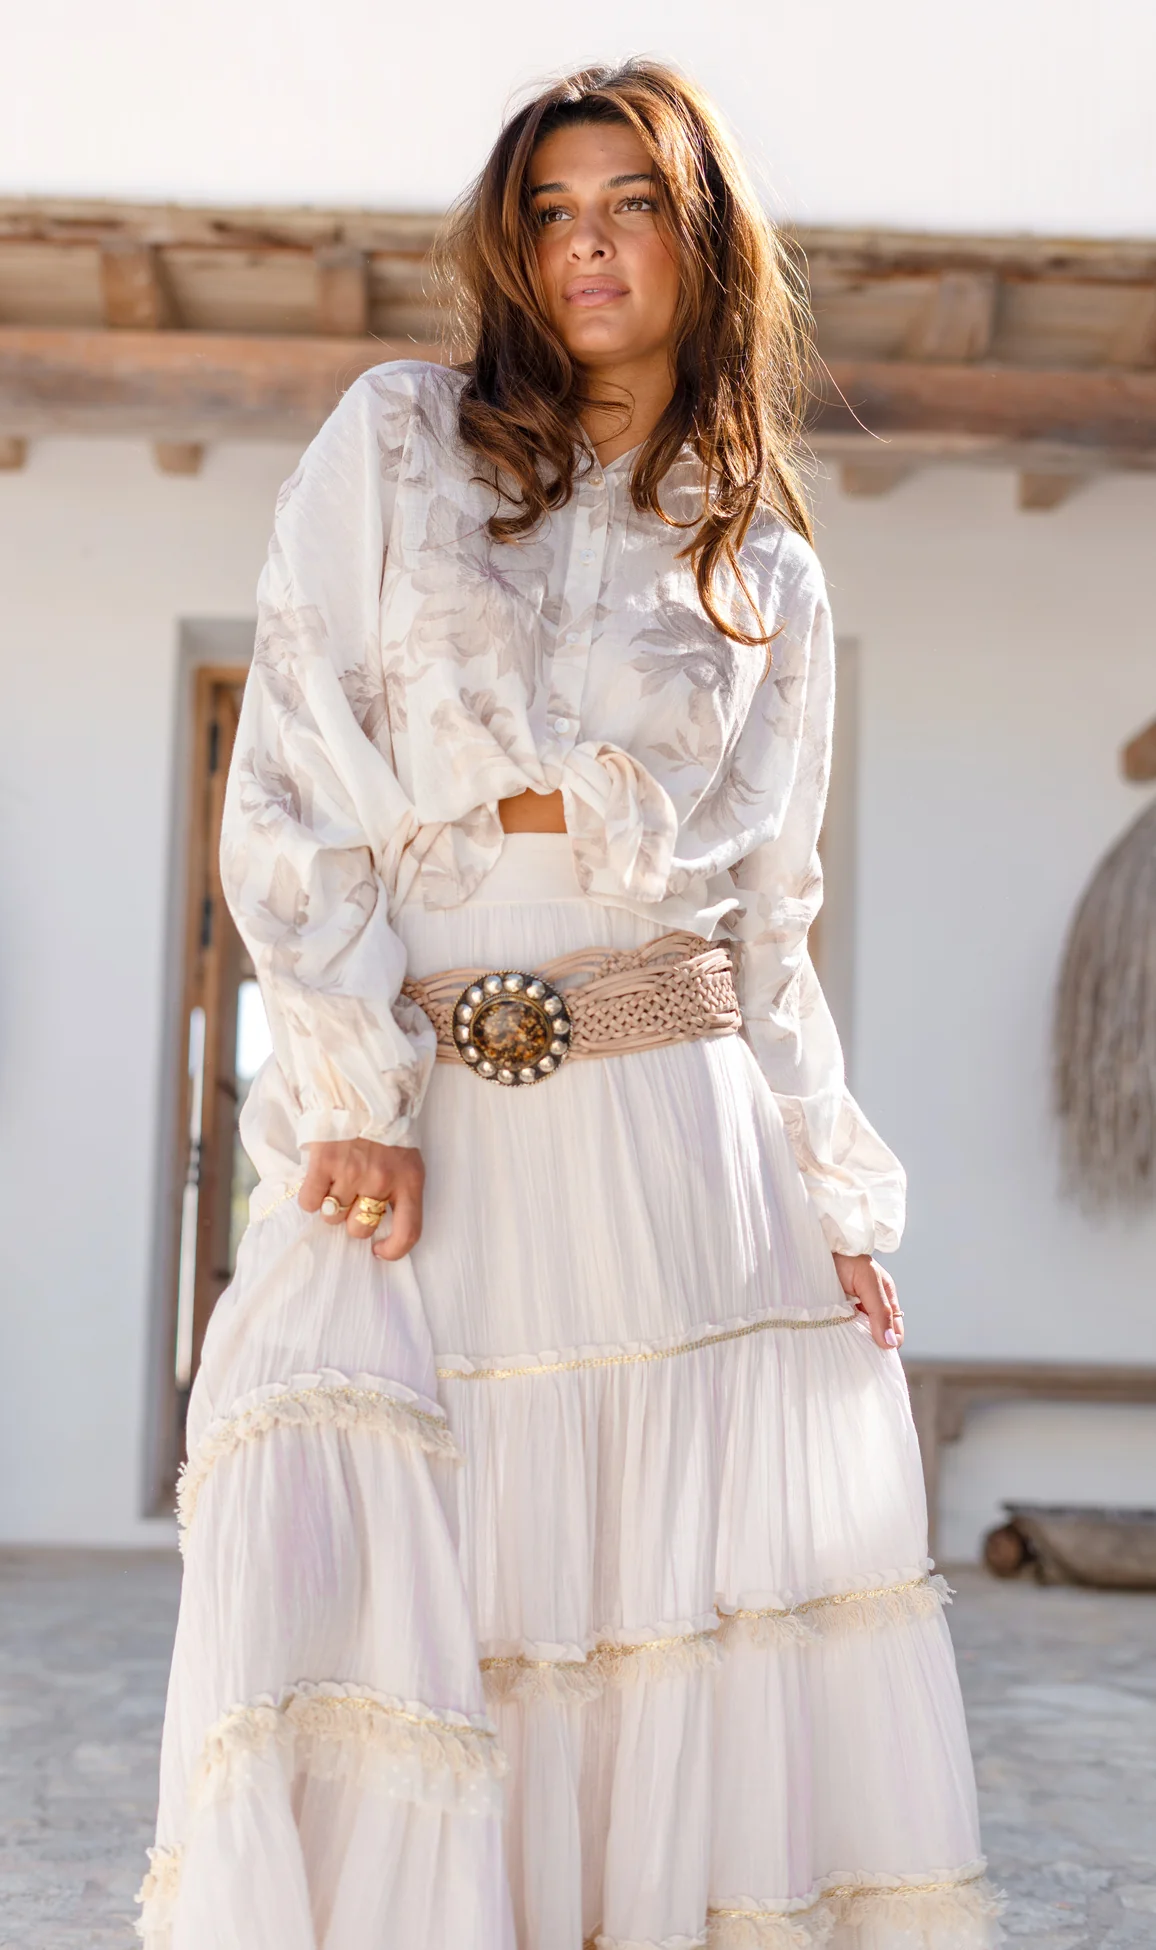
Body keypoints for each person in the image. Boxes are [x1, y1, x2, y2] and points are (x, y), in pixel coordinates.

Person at [140, 59, 1001, 1950]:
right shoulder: (397, 442)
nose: (586, 244)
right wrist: (352, 1084)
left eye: (630, 206)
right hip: (429, 1118)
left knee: (653, 1614)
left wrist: (834, 1184)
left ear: (704, 244)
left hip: (681, 1136)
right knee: (395, 1585)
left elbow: (775, 916)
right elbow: (293, 769)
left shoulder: (766, 566)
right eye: (550, 209)